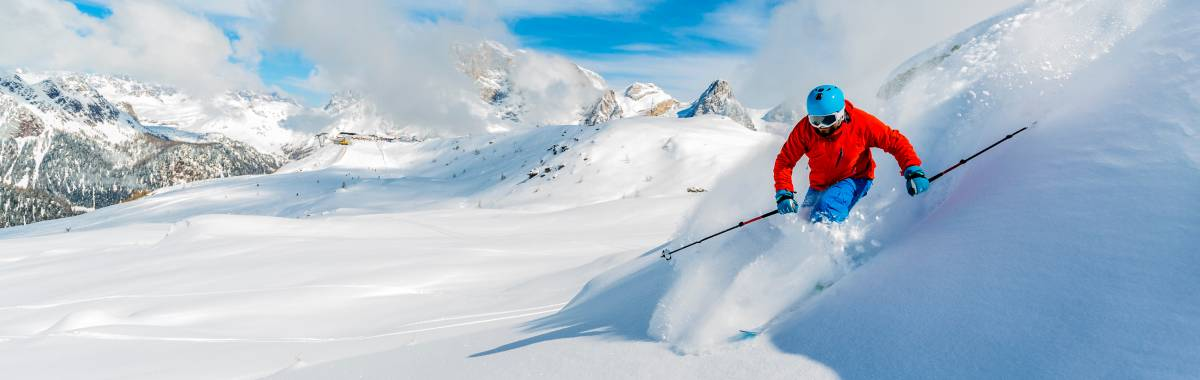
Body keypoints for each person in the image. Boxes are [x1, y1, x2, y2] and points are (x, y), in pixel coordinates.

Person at [773, 85, 930, 223]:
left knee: (825, 212)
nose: (821, 127)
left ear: (840, 114)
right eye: (815, 120)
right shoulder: (804, 130)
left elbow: (894, 141)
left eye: (827, 120)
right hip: (819, 184)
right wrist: (783, 192)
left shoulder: (861, 123)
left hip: (855, 177)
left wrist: (913, 169)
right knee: (803, 221)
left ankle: (828, 252)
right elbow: (785, 161)